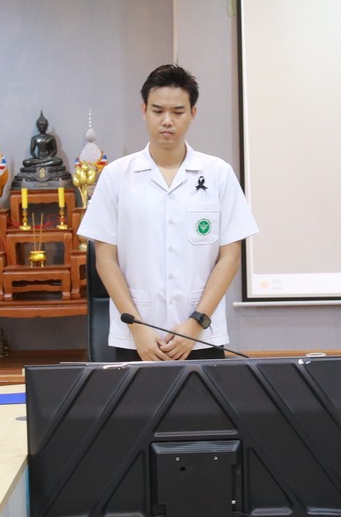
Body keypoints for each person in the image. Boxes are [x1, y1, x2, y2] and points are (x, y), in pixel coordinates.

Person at [81, 63, 259, 362]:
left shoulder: (218, 174)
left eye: (177, 112)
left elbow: (230, 257)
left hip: (201, 336)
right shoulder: (116, 176)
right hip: (136, 337)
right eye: (158, 110)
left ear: (193, 113)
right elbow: (105, 259)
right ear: (144, 110)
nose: (167, 121)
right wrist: (137, 327)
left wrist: (196, 322)